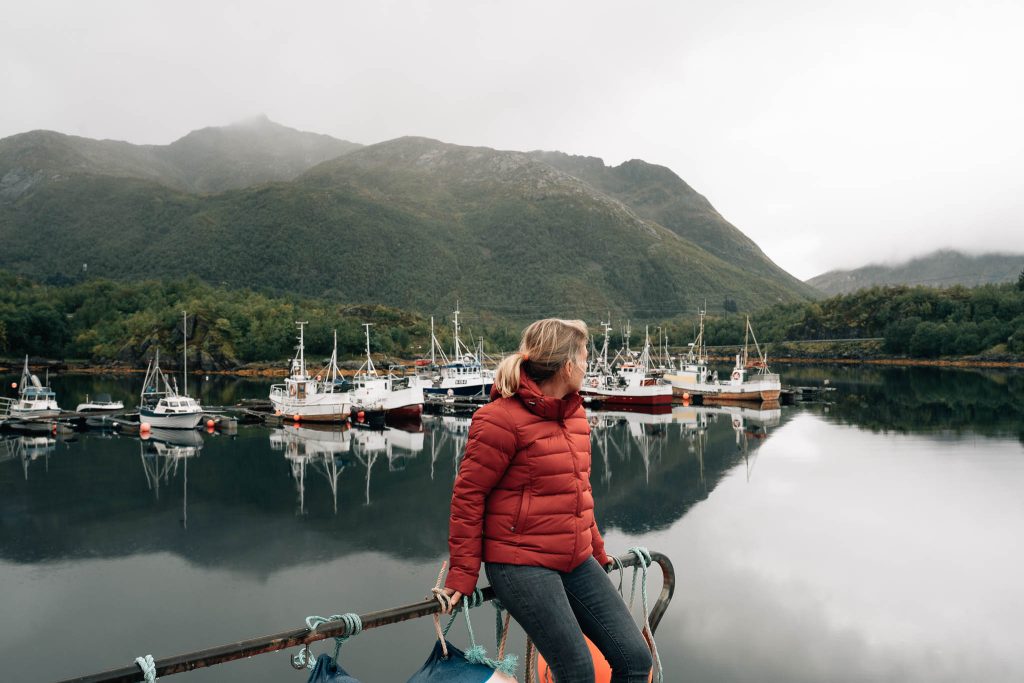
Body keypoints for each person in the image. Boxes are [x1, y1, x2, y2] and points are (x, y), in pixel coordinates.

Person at [441, 318, 653, 682]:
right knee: (577, 671)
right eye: (585, 358)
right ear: (568, 366)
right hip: (519, 560)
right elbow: (468, 496)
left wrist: (597, 551)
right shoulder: (498, 420)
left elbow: (578, 492)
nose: (588, 367)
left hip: (574, 556)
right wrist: (462, 574)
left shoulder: (574, 416)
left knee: (635, 658)